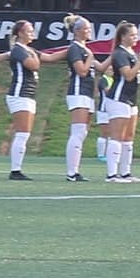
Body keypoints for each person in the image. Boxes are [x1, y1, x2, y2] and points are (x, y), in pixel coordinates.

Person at [95, 21, 140, 183]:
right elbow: (129, 75)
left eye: (136, 35)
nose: (135, 38)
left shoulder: (131, 53)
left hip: (131, 100)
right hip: (119, 98)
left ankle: (126, 172)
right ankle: (111, 174)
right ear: (123, 36)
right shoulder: (119, 53)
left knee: (129, 137)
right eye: (132, 35)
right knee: (117, 136)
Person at [2, 19, 42, 181]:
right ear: (20, 33)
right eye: (29, 31)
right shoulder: (19, 50)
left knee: (25, 133)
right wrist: (34, 54)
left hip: (29, 95)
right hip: (20, 94)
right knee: (22, 133)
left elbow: (49, 57)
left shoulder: (27, 49)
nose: (32, 34)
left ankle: (17, 168)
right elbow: (33, 65)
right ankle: (15, 170)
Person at [57, 17, 95, 183]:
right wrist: (90, 58)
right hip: (78, 92)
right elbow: (81, 71)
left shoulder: (84, 49)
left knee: (83, 132)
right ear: (78, 31)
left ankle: (75, 170)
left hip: (87, 93)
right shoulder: (75, 48)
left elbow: (99, 67)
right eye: (86, 28)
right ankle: (71, 172)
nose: (89, 31)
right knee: (78, 131)